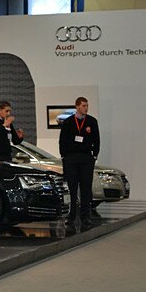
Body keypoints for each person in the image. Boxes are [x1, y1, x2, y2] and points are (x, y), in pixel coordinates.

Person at [59, 96, 100, 228]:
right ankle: (71, 216)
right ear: (77, 107)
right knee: (72, 188)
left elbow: (96, 139)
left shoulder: (92, 121)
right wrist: (63, 156)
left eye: (87, 106)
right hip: (71, 158)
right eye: (83, 106)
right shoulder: (69, 122)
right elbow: (62, 140)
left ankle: (85, 216)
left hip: (86, 158)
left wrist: (95, 155)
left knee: (86, 188)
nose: (86, 108)